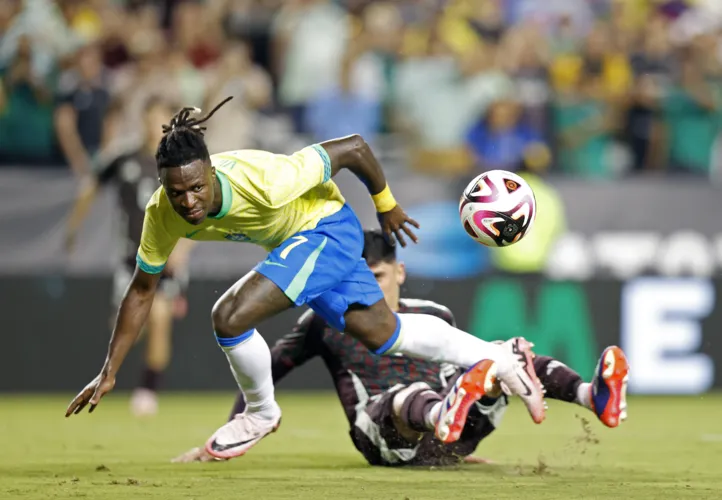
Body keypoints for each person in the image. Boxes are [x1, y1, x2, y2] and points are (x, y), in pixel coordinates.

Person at [65, 96, 547, 460]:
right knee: (385, 334)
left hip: (325, 228)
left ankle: (261, 412)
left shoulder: (266, 179)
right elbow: (143, 289)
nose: (189, 202)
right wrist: (110, 370)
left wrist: (387, 206)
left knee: (229, 316)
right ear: (162, 186)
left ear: (212, 172)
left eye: (196, 187)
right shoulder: (161, 215)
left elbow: (355, 148)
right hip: (300, 244)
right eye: (176, 192)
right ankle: (499, 357)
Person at [172, 230, 629, 465]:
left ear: (401, 272)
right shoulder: (325, 323)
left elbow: (469, 362)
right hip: (380, 434)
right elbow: (269, 369)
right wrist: (231, 432)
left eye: (380, 278)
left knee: (504, 352)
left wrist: (456, 451)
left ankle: (594, 396)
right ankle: (442, 416)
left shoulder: (434, 315)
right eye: (360, 278)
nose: (368, 288)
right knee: (403, 397)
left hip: (447, 438)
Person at [64, 97, 194, 416]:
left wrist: (184, 250)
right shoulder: (123, 159)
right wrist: (72, 229)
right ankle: (112, 372)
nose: (154, 126)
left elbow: (198, 214)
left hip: (166, 257)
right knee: (127, 328)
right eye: (150, 119)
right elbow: (90, 186)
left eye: (160, 119)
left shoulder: (181, 164)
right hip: (130, 259)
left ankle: (148, 390)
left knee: (160, 316)